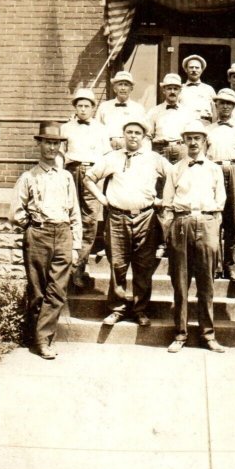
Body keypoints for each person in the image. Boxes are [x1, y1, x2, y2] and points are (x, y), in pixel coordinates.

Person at [83, 118, 171, 326]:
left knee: (143, 266)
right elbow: (88, 178)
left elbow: (174, 176)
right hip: (117, 217)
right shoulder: (112, 157)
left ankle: (140, 310)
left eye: (137, 133)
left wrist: (162, 201)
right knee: (118, 265)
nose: (132, 136)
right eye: (129, 132)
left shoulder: (154, 158)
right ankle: (118, 308)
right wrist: (103, 199)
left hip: (145, 218)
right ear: (124, 135)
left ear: (144, 137)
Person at [9, 122, 82, 360]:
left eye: (56, 143)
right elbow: (16, 213)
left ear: (60, 147)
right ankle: (38, 336)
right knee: (38, 290)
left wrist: (76, 245)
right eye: (48, 142)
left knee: (58, 290)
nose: (52, 147)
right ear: (39, 144)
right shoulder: (28, 177)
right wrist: (32, 225)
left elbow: (75, 214)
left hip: (62, 234)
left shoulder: (66, 177)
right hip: (38, 235)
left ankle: (41, 340)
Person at [162, 120, 227, 353]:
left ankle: (208, 335)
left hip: (208, 222)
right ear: (183, 141)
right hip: (182, 221)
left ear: (204, 141)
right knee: (180, 282)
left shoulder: (214, 169)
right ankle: (180, 333)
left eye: (197, 138)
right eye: (188, 138)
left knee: (206, 284)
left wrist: (213, 228)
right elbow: (168, 203)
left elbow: (221, 202)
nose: (193, 142)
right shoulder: (175, 169)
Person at [60, 87, 111, 289]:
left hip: (91, 173)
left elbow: (106, 155)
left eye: (87, 106)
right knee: (70, 217)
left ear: (92, 108)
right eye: (79, 106)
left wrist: (97, 175)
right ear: (75, 107)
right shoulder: (66, 128)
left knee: (89, 221)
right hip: (71, 172)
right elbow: (60, 155)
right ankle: (66, 267)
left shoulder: (101, 129)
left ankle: (78, 270)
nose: (83, 109)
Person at [206, 88, 235, 281]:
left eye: (229, 103)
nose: (225, 106)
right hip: (214, 171)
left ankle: (230, 266)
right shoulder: (208, 129)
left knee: (232, 220)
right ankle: (215, 265)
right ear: (216, 105)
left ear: (233, 107)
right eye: (221, 102)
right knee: (215, 217)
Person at [147, 73, 192, 164]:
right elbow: (147, 136)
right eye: (169, 88)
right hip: (160, 151)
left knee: (182, 176)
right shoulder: (154, 111)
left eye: (175, 89)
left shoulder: (187, 112)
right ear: (164, 90)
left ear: (180, 91)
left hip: (182, 150)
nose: (172, 92)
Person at [95, 70, 147, 150]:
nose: (123, 88)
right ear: (115, 88)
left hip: (130, 149)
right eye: (120, 85)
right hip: (107, 149)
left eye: (126, 85)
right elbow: (97, 130)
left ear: (131, 89)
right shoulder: (104, 106)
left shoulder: (138, 109)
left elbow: (144, 135)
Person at [178, 54, 216, 122]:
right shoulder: (180, 89)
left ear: (202, 70)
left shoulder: (209, 89)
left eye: (197, 67)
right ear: (186, 69)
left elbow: (215, 112)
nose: (194, 70)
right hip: (185, 125)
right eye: (191, 67)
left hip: (205, 125)